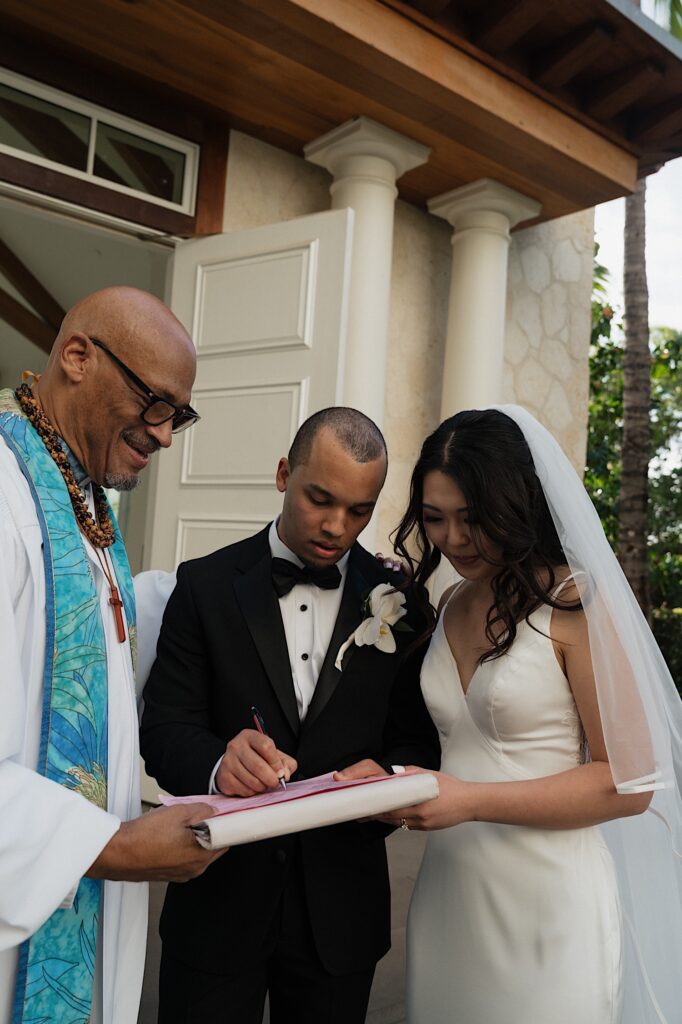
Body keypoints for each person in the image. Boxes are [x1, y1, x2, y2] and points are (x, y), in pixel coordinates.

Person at [380, 406, 682, 1024]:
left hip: (549, 907)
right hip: (450, 896)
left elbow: (629, 780)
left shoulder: (572, 604)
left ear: (517, 505)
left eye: (472, 518)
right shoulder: (450, 603)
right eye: (435, 518)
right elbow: (454, 751)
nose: (453, 539)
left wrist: (470, 801)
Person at [139, 407, 440, 1024]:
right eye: (320, 498)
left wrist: (383, 776)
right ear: (284, 474)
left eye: (359, 511)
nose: (336, 526)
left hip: (341, 912)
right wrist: (221, 763)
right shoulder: (203, 586)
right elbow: (163, 731)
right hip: (218, 904)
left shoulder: (399, 602)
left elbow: (419, 739)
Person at [0, 288, 227, 1024]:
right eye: (157, 402)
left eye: (180, 417)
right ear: (77, 357)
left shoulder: (82, 502)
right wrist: (114, 847)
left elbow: (99, 647)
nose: (166, 436)